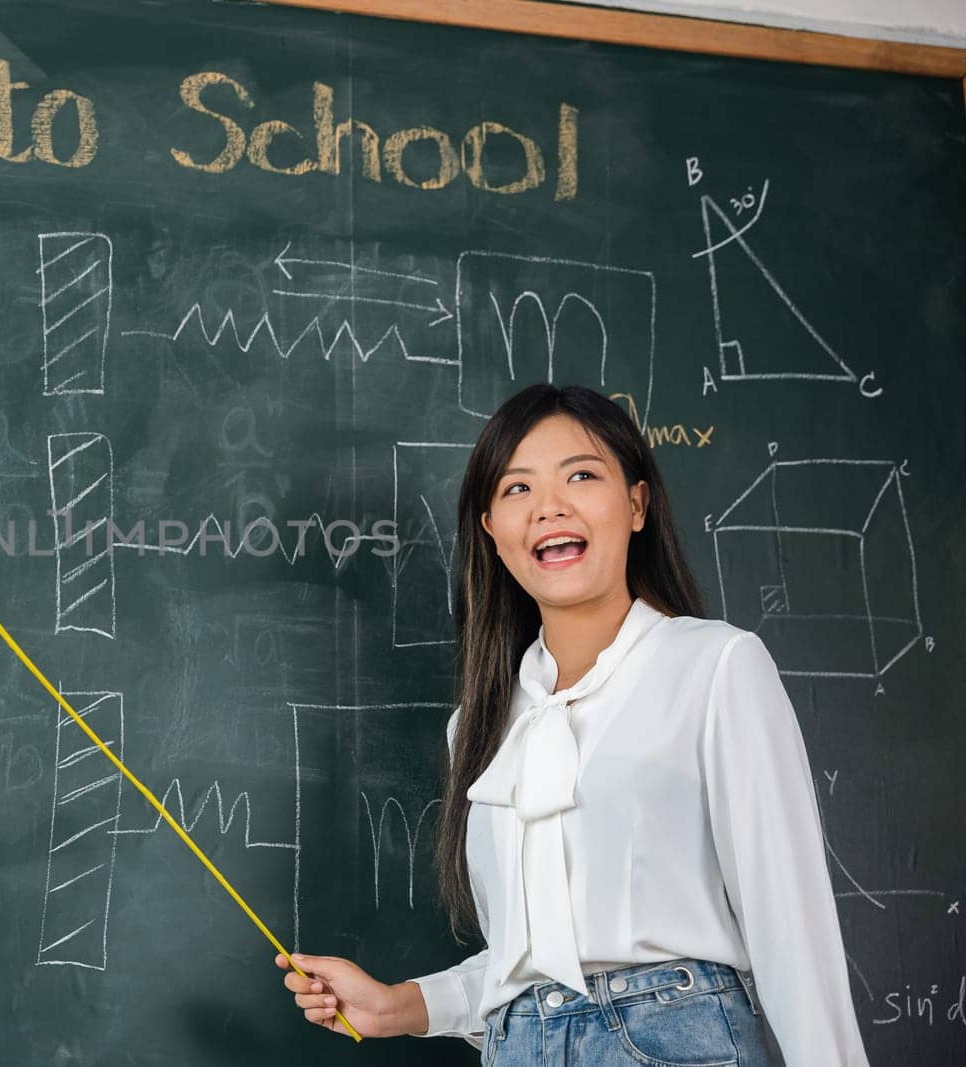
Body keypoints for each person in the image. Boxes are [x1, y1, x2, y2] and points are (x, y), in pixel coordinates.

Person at [276, 383, 869, 1064]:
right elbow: (531, 964)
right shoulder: (479, 725)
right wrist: (400, 1005)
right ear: (491, 531)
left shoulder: (716, 666)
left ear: (637, 503)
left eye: (581, 475)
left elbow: (791, 930)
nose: (549, 508)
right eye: (516, 489)